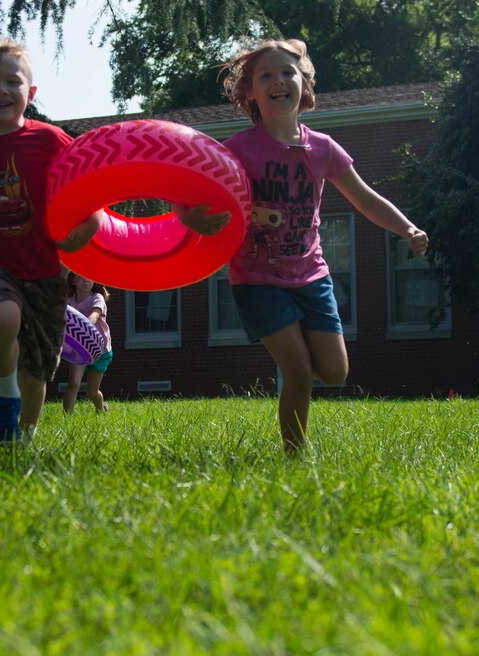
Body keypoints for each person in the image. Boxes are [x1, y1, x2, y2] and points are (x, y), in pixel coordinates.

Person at [181, 38, 429, 453]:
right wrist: (190, 216)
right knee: (297, 371)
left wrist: (407, 228)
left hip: (311, 275)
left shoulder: (323, 149)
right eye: (266, 76)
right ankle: (294, 458)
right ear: (250, 93)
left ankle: (297, 425)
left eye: (287, 72)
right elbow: (191, 190)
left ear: (304, 85)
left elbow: (366, 199)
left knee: (334, 373)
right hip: (257, 277)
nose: (279, 81)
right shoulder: (239, 149)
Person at [0, 37, 102, 443]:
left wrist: (81, 234)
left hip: (42, 269)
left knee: (38, 371)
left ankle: (22, 438)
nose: (1, 90)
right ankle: (4, 398)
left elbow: (89, 193)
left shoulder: (50, 141)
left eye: (12, 82)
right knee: (2, 316)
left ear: (30, 93)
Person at [63, 273, 113, 413]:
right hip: (79, 349)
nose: (86, 279)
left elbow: (94, 316)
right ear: (73, 281)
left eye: (89, 276)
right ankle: (67, 420)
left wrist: (84, 327)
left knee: (91, 393)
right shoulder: (69, 302)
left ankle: (101, 408)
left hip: (100, 351)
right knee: (73, 382)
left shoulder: (97, 298)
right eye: (80, 277)